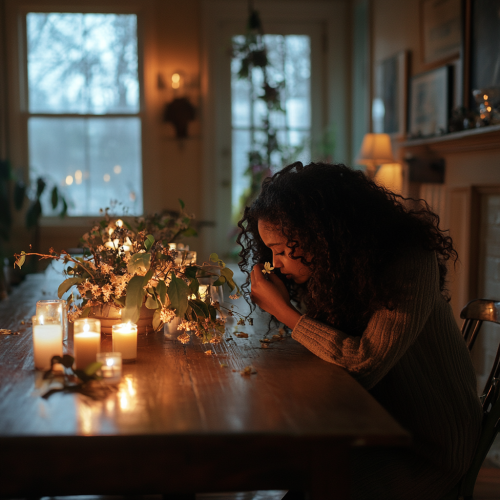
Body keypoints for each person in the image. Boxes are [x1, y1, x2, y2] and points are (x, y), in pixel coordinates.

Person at [237, 161, 482, 500]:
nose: (275, 263)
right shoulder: (339, 271)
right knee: (297, 477)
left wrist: (283, 310)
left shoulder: (410, 261)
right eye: (272, 252)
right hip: (377, 427)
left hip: (428, 445)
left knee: (309, 486)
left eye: (282, 250)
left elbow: (364, 364)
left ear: (320, 234)